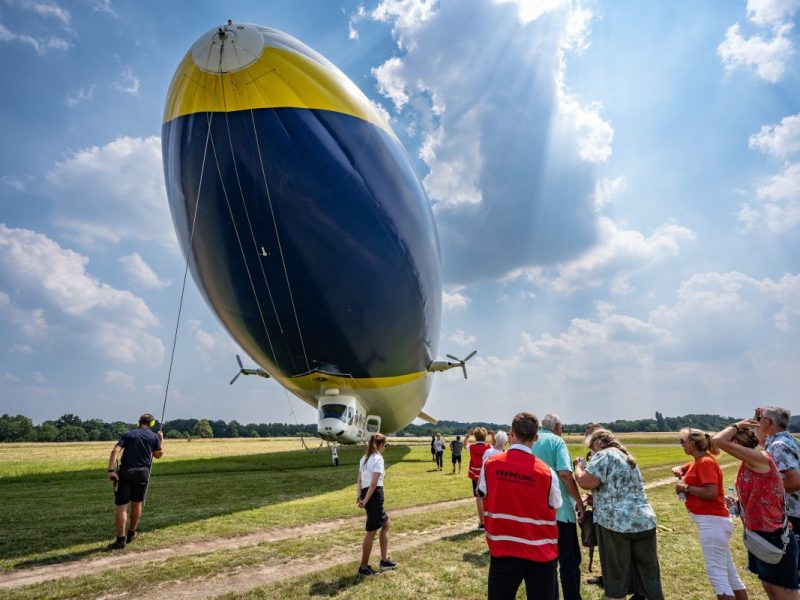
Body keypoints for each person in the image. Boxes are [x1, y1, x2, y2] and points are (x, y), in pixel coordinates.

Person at [478, 412, 562, 600]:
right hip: (540, 552)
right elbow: (555, 506)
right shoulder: (547, 472)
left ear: (512, 434)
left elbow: (482, 493)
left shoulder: (490, 464)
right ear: (535, 438)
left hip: (503, 549)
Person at [574, 428, 664, 600]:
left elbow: (585, 481)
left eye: (592, 448)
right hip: (644, 521)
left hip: (616, 524)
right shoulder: (626, 457)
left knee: (616, 579)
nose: (592, 452)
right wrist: (598, 498)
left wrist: (578, 468)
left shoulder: (604, 455)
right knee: (649, 576)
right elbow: (619, 487)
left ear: (599, 443)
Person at [713, 420, 799, 598]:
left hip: (774, 536)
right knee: (770, 588)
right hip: (758, 534)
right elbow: (762, 494)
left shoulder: (760, 458)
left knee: (783, 592)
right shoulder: (748, 462)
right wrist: (738, 502)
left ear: (736, 443)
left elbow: (718, 440)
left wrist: (739, 425)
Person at [672, 428, 748, 600]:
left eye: (683, 441)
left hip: (712, 523)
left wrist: (686, 488)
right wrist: (679, 469)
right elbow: (684, 468)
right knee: (730, 576)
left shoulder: (705, 462)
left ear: (692, 443)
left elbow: (711, 493)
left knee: (718, 576)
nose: (681, 445)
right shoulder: (698, 461)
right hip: (715, 522)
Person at [534, 413, 586, 600]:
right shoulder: (557, 441)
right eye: (562, 427)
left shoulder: (532, 440)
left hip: (538, 511)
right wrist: (578, 501)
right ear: (556, 427)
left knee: (548, 562)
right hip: (561, 511)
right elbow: (565, 474)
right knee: (569, 561)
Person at [107, 413, 164, 549]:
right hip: (143, 473)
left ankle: (120, 540)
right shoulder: (153, 437)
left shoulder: (128, 434)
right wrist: (160, 440)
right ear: (151, 424)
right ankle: (132, 532)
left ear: (138, 422)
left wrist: (111, 470)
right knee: (137, 503)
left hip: (126, 472)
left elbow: (115, 451)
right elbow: (158, 455)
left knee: (122, 505)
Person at [757, 406, 800, 576]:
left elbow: (795, 482)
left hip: (792, 512)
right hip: (795, 510)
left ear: (768, 422)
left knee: (793, 569)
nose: (758, 422)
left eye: (761, 419)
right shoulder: (787, 439)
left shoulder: (778, 445)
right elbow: (760, 439)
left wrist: (765, 490)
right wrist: (758, 419)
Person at [356, 433, 396, 576]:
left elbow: (359, 480)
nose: (385, 447)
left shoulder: (364, 458)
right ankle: (363, 568)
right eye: (385, 445)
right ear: (380, 445)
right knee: (371, 531)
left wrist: (359, 496)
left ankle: (384, 560)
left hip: (366, 493)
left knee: (386, 523)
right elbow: (373, 483)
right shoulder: (378, 458)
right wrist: (365, 500)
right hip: (374, 495)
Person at [465, 427, 491, 529]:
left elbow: (464, 444)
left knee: (479, 498)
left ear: (475, 436)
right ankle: (488, 519)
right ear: (485, 437)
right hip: (486, 474)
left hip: (475, 475)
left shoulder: (471, 447)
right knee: (487, 497)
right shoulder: (488, 447)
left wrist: (467, 436)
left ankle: (482, 522)